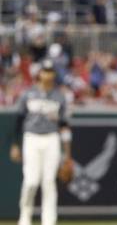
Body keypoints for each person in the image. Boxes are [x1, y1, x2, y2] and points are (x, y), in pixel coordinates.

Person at [9, 59, 72, 225]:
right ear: (40, 73)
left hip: (52, 138)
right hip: (32, 138)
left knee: (49, 182)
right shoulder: (28, 94)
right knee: (31, 181)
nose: (47, 74)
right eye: (45, 71)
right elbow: (18, 121)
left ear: (54, 74)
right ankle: (25, 217)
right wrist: (16, 144)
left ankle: (49, 221)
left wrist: (68, 154)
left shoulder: (60, 96)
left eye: (50, 71)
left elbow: (65, 126)